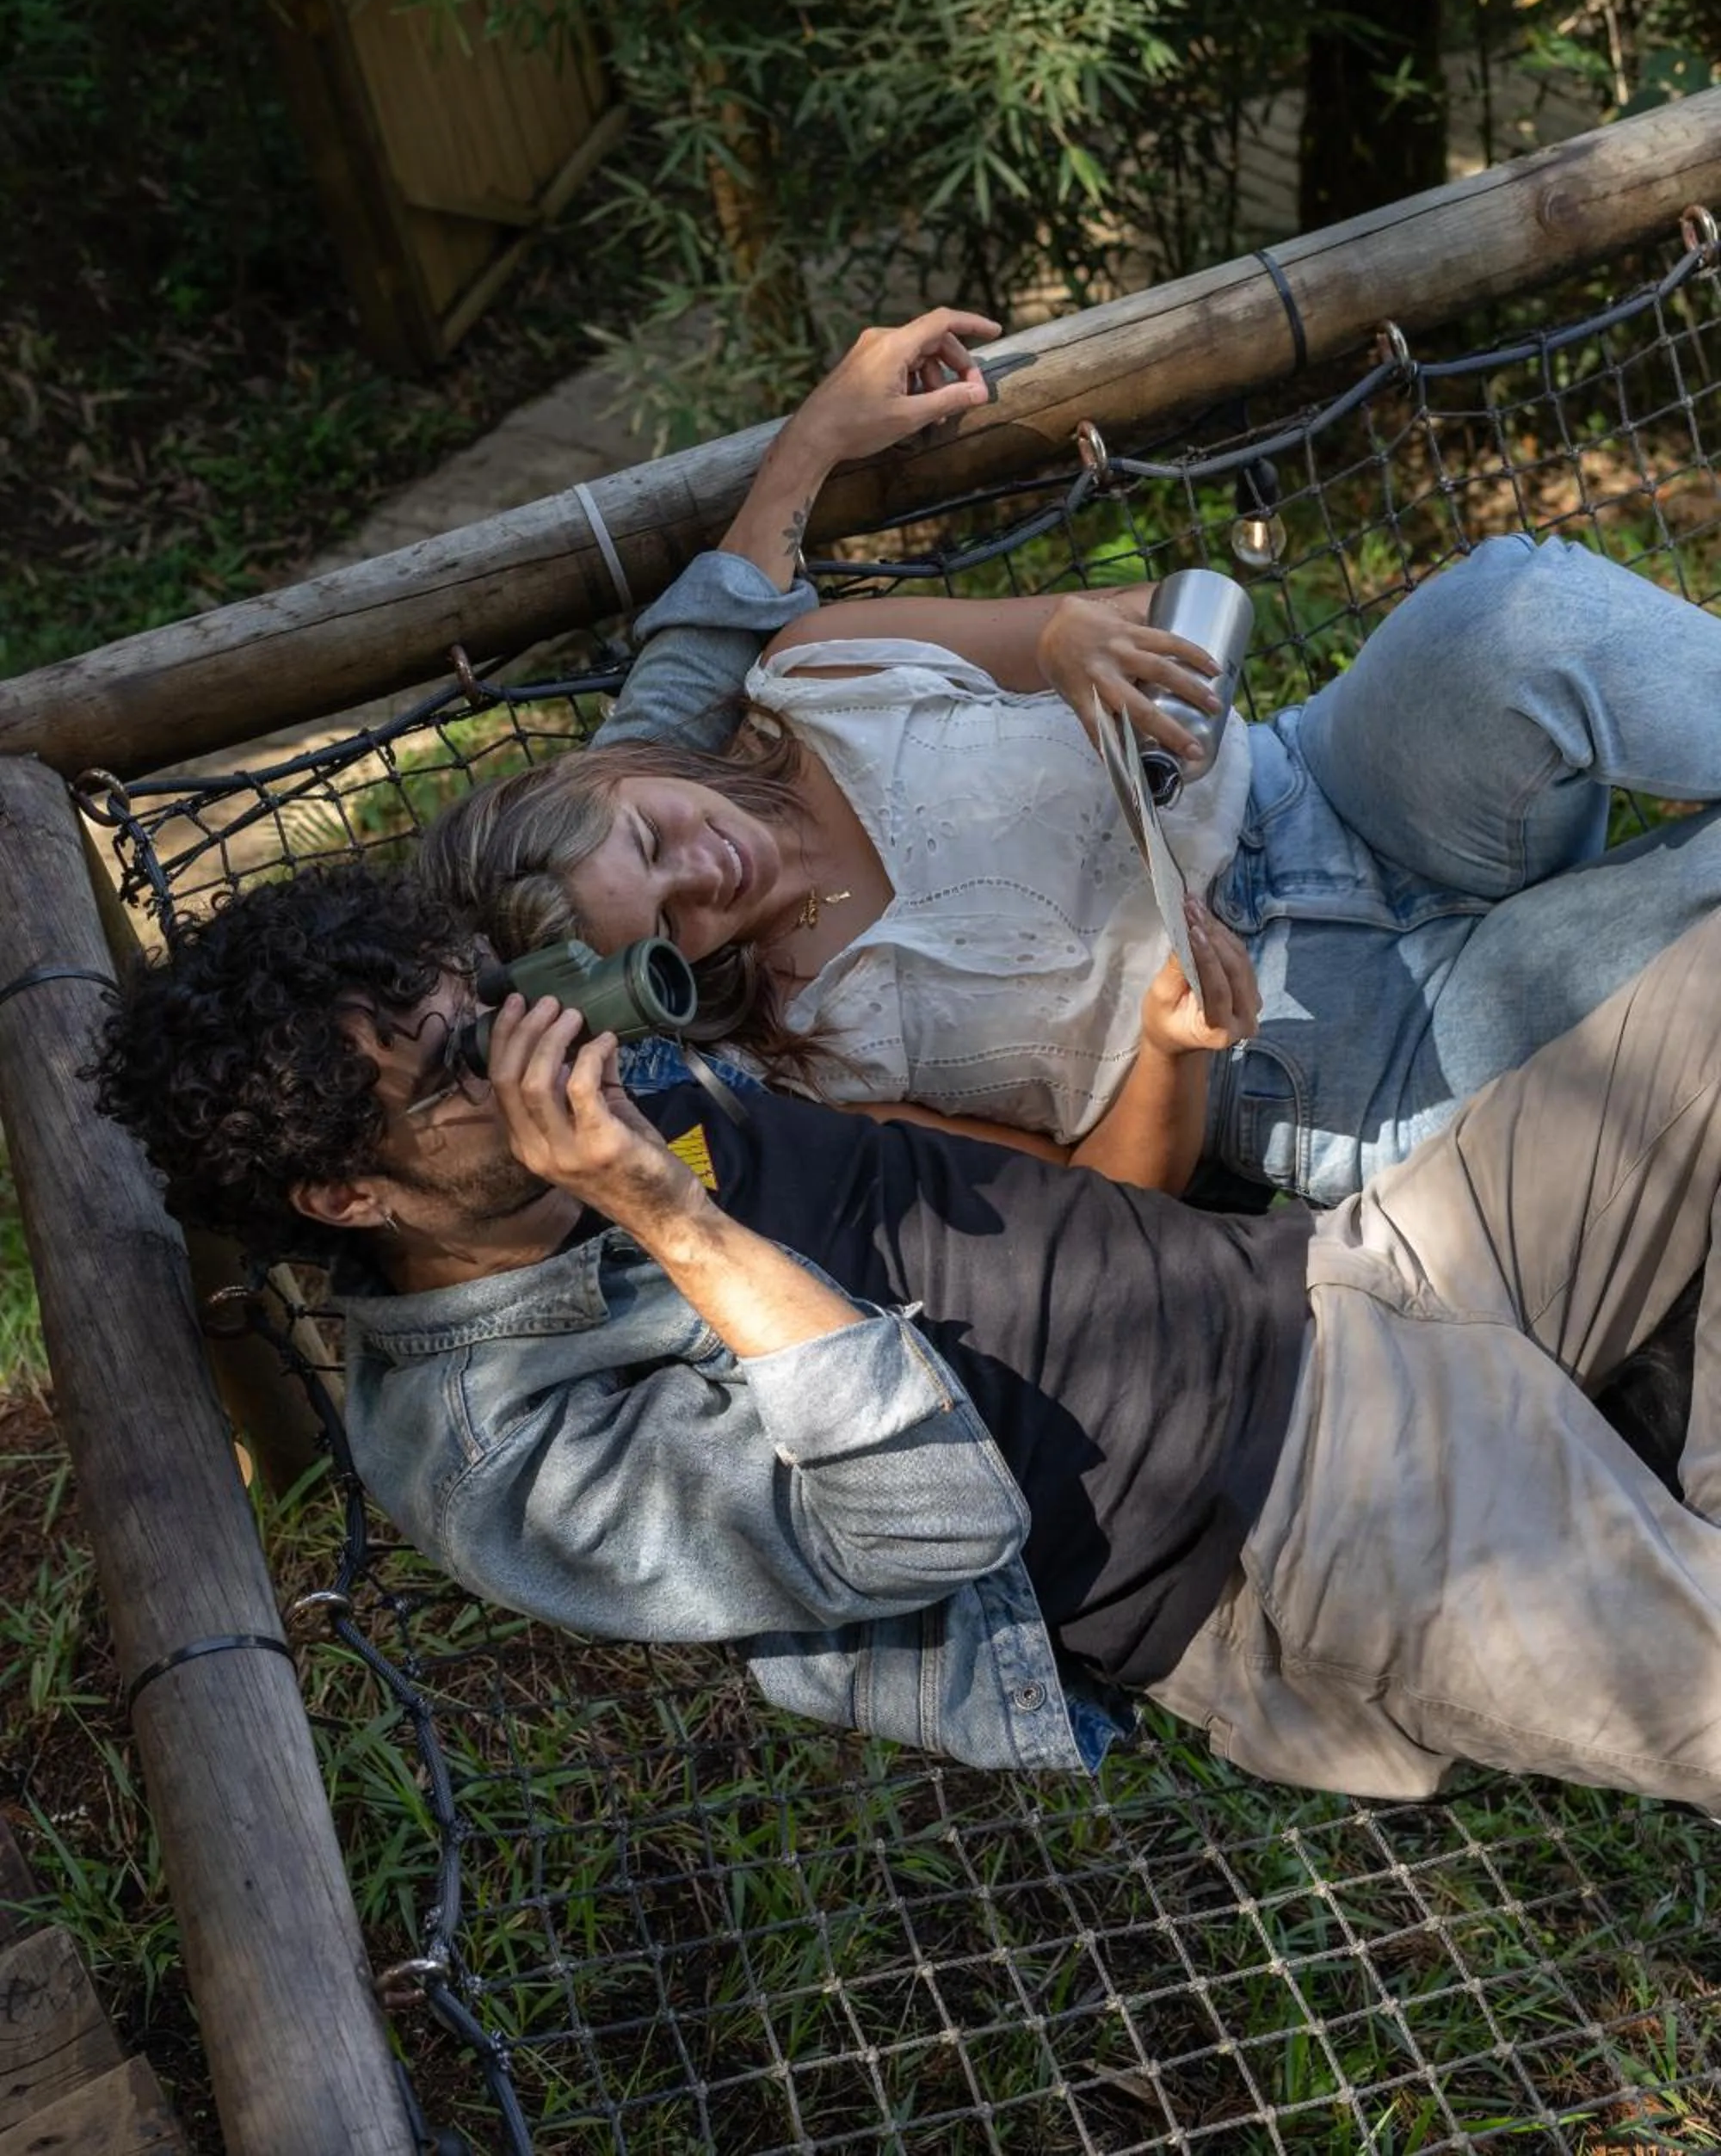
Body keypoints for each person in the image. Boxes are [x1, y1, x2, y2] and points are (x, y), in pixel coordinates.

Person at [95, 861, 1721, 1808]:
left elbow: (678, 712)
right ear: (347, 1199)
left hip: (1349, 1273)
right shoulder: (505, 1459)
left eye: (494, 997)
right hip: (1307, 1527)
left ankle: (1664, 1461)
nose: (540, 1045)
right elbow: (933, 1522)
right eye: (461, 1067)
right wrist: (669, 1217)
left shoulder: (596, 1079)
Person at [419, 310, 1721, 1207]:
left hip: (1327, 785)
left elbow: (1171, 615)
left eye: (655, 837)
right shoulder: (791, 1079)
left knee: (1514, 614)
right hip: (1336, 1054)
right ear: (657, 980)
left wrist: (1072, 639)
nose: (704, 870)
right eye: (673, 927)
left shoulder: (813, 674)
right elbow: (1094, 1195)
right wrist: (1168, 1048)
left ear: (629, 767)